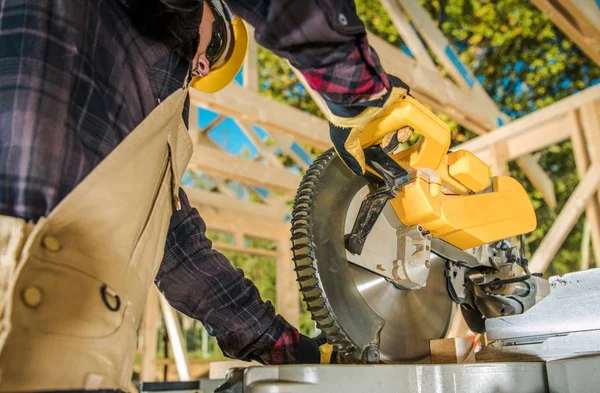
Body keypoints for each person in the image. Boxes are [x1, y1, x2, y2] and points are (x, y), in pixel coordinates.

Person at [0, 1, 410, 391]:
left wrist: (294, 348)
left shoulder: (146, 137)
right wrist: (360, 95)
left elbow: (180, 256)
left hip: (57, 360)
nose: (198, 65)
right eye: (215, 45)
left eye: (203, 72)